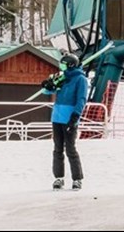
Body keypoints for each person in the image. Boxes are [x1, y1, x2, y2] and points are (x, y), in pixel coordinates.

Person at [41, 52, 88, 191]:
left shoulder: (80, 79)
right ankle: (59, 178)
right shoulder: (63, 77)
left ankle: (77, 179)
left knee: (71, 149)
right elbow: (48, 91)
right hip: (57, 117)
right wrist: (47, 85)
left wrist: (75, 116)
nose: (61, 67)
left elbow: (81, 99)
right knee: (57, 149)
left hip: (69, 118)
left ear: (71, 64)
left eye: (64, 64)